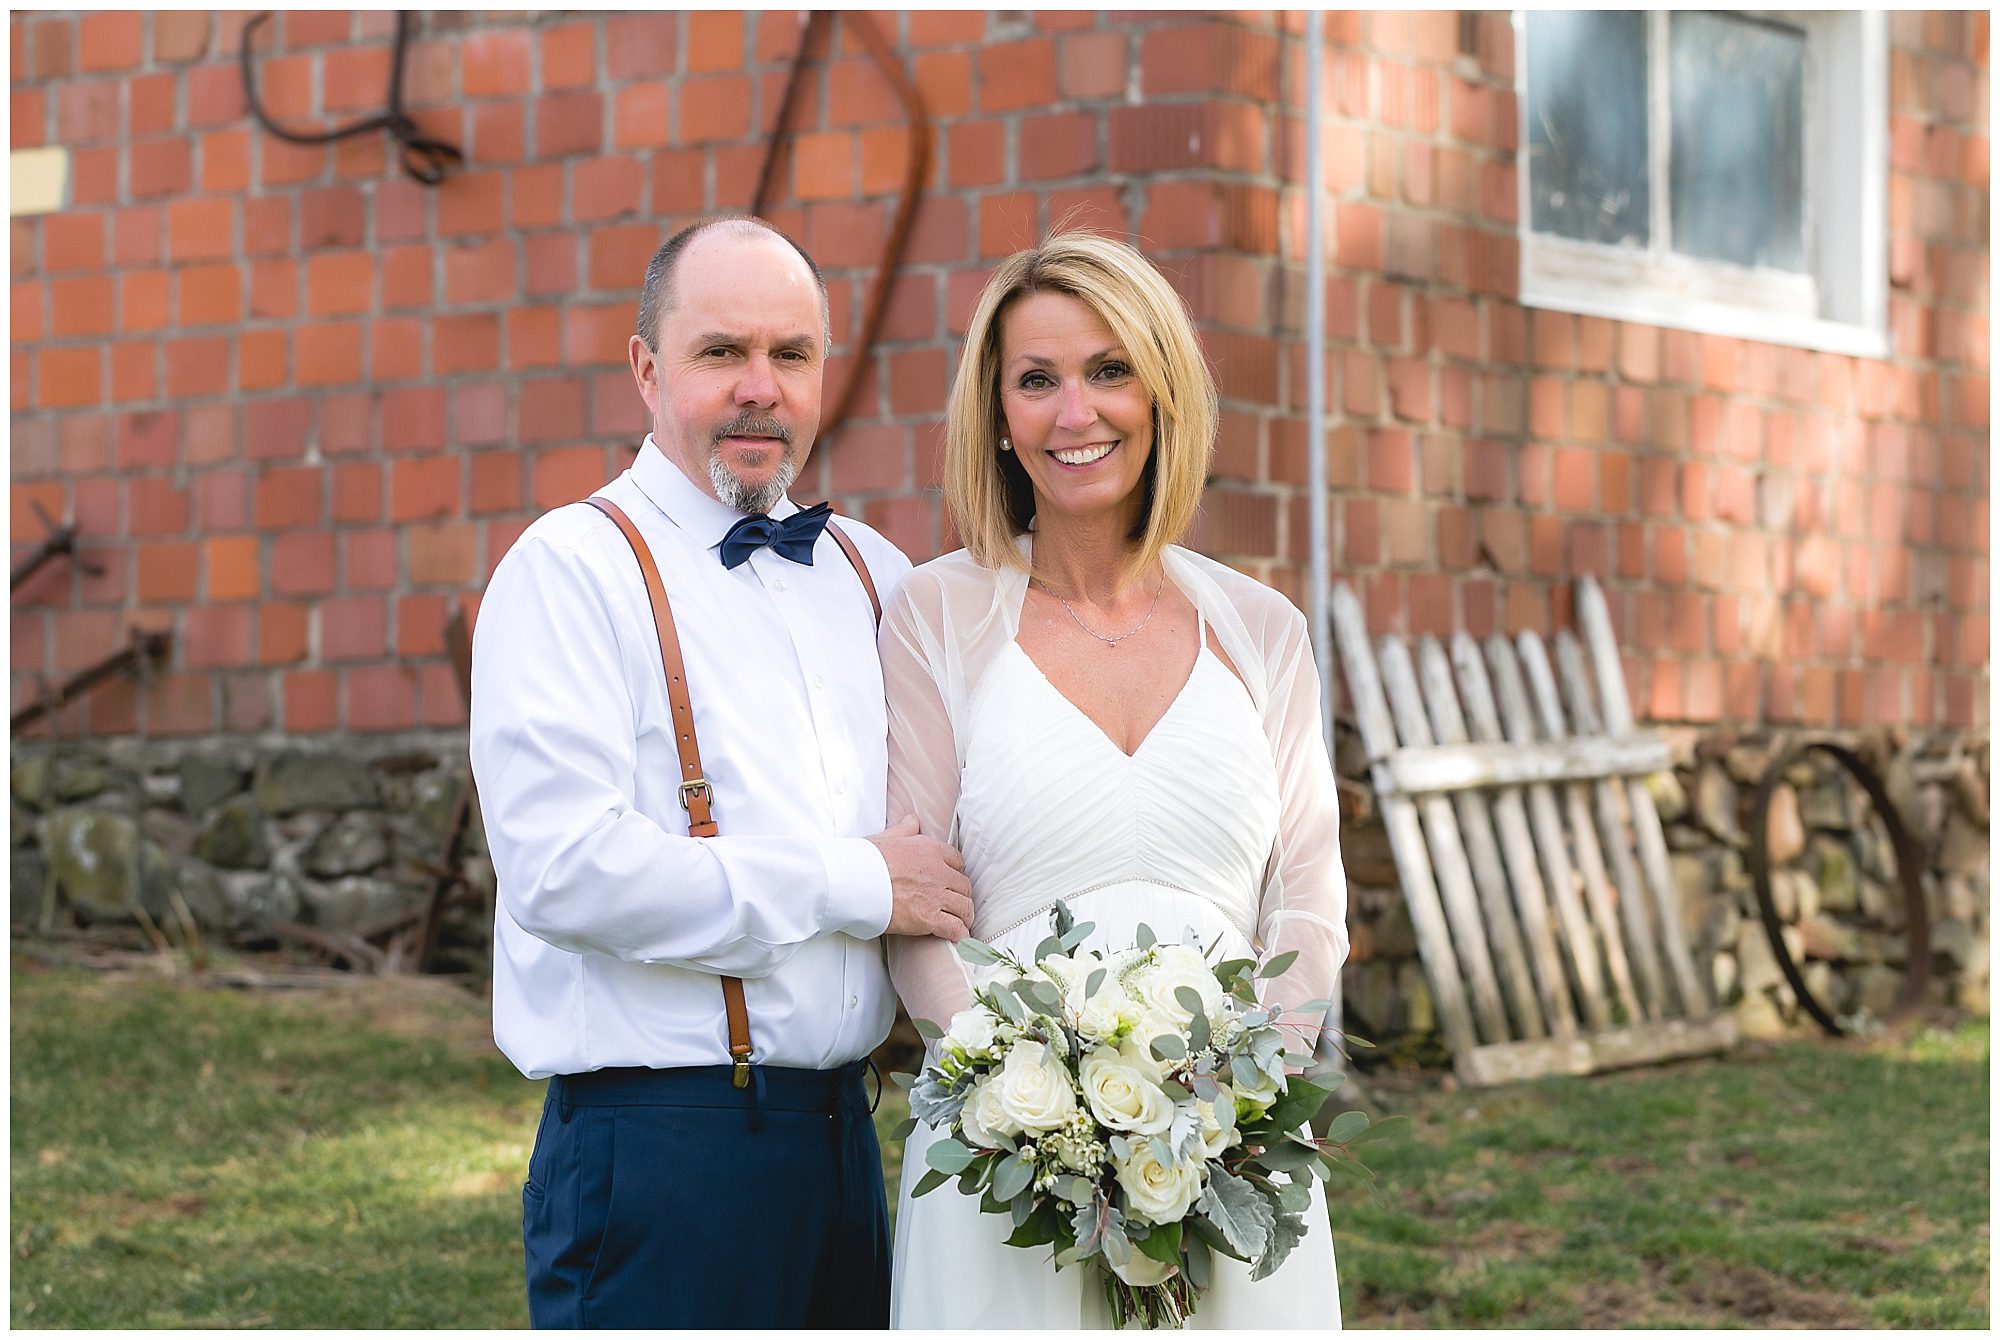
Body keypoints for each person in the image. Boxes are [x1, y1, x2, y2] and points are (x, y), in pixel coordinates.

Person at [469, 216, 972, 1329]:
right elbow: (568, 871)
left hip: (848, 1141)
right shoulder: (570, 570)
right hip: (660, 1155)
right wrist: (850, 881)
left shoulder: (870, 571)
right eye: (720, 353)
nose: (761, 387)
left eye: (790, 354)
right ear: (647, 368)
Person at [879, 233, 1351, 1328]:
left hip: (1235, 1155)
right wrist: (1029, 1106)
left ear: (1162, 389)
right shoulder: (935, 617)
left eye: (1107, 370)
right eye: (1034, 380)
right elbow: (915, 909)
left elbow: (1309, 900)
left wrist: (1241, 1097)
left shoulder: (1260, 629)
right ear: (995, 417)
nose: (1072, 412)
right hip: (1006, 1167)